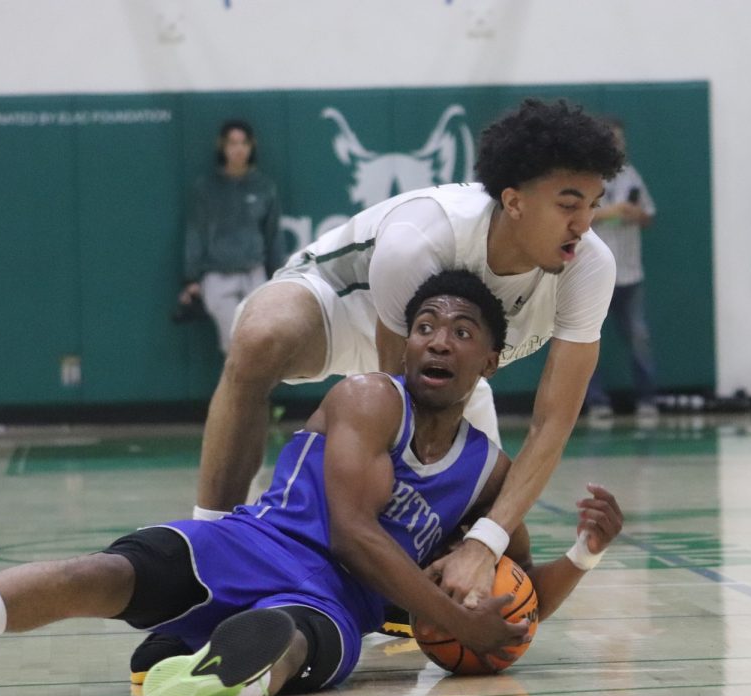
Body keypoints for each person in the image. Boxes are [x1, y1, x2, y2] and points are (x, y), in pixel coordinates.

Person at [0, 271, 624, 696]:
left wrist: (584, 552)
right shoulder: (372, 399)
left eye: (459, 331)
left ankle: (213, 674)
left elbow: (513, 598)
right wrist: (453, 619)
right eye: (424, 324)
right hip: (252, 542)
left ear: (490, 360)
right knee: (99, 576)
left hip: (334, 607)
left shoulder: (488, 472)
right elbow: (352, 533)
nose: (436, 339)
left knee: (295, 637)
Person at [193, 98, 622, 607]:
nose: (584, 223)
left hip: (447, 365)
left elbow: (552, 424)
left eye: (594, 205)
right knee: (259, 336)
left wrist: (485, 544)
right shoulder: (423, 236)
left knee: (494, 527)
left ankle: (407, 599)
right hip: (348, 305)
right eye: (568, 206)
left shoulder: (590, 266)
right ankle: (207, 552)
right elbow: (397, 405)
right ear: (514, 201)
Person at [175, 120, 283, 354]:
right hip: (218, 275)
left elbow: (272, 234)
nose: (238, 149)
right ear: (222, 146)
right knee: (235, 341)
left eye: (243, 143)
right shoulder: (206, 188)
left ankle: (257, 391)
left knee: (260, 338)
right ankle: (242, 390)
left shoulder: (264, 186)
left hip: (254, 272)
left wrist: (280, 275)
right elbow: (195, 233)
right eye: (232, 143)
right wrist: (190, 278)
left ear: (251, 146)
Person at [582, 119, 659, 425]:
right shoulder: (585, 176)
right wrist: (609, 213)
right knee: (587, 341)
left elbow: (649, 215)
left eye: (619, 139)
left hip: (630, 274)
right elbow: (575, 216)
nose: (616, 144)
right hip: (593, 275)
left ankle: (647, 399)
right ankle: (596, 402)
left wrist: (635, 214)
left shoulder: (631, 174)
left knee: (639, 337)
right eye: (609, 138)